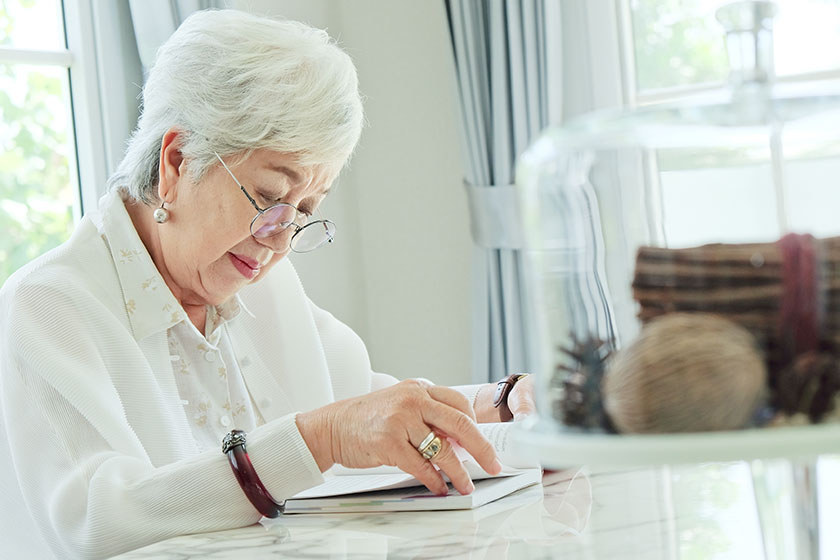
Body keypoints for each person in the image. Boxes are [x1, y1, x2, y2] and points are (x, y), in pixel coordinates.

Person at [0, 9, 535, 559]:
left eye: (304, 210)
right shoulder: (47, 306)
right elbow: (99, 519)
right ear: (177, 161)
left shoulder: (255, 283)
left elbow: (366, 399)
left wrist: (506, 402)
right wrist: (319, 439)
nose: (280, 239)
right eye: (268, 197)